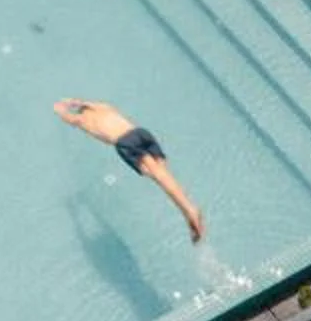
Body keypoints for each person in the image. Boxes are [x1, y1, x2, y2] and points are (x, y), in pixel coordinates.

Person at [54, 97, 207, 241]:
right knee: (165, 175)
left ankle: (190, 212)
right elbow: (84, 103)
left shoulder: (83, 120)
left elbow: (66, 116)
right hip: (140, 133)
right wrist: (73, 101)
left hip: (126, 143)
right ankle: (188, 209)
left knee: (159, 178)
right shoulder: (104, 108)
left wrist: (59, 108)